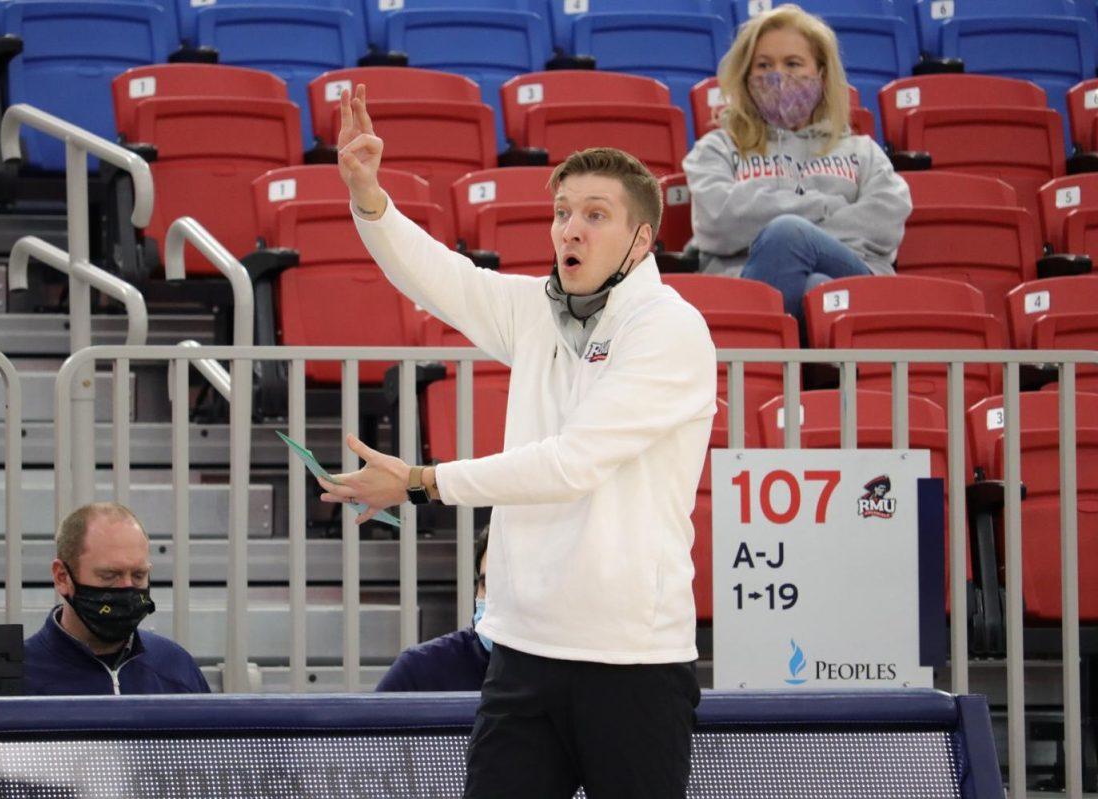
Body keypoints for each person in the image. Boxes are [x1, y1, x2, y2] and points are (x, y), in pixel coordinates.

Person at [320, 85, 715, 798]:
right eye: (563, 213)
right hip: (523, 652)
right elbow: (444, 279)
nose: (571, 230)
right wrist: (370, 198)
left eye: (596, 216)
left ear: (641, 239)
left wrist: (421, 479)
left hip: (634, 662)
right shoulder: (539, 309)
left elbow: (572, 463)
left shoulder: (669, 327)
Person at [684, 3, 911, 333]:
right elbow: (717, 221)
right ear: (746, 77)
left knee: (789, 235)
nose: (777, 75)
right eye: (763, 65)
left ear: (820, 73)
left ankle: (760, 365)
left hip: (856, 281)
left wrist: (800, 240)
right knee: (813, 283)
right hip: (746, 285)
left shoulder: (862, 151)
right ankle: (818, 378)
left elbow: (885, 223)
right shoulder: (717, 149)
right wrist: (823, 207)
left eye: (793, 63)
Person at [22, 502, 210, 695]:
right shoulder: (20, 678)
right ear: (62, 577)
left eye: (138, 575)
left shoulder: (176, 668)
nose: (127, 588)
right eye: (109, 576)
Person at [376, 528, 491, 691]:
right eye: (486, 584)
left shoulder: (540, 676)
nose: (493, 599)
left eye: (508, 586)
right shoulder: (418, 672)